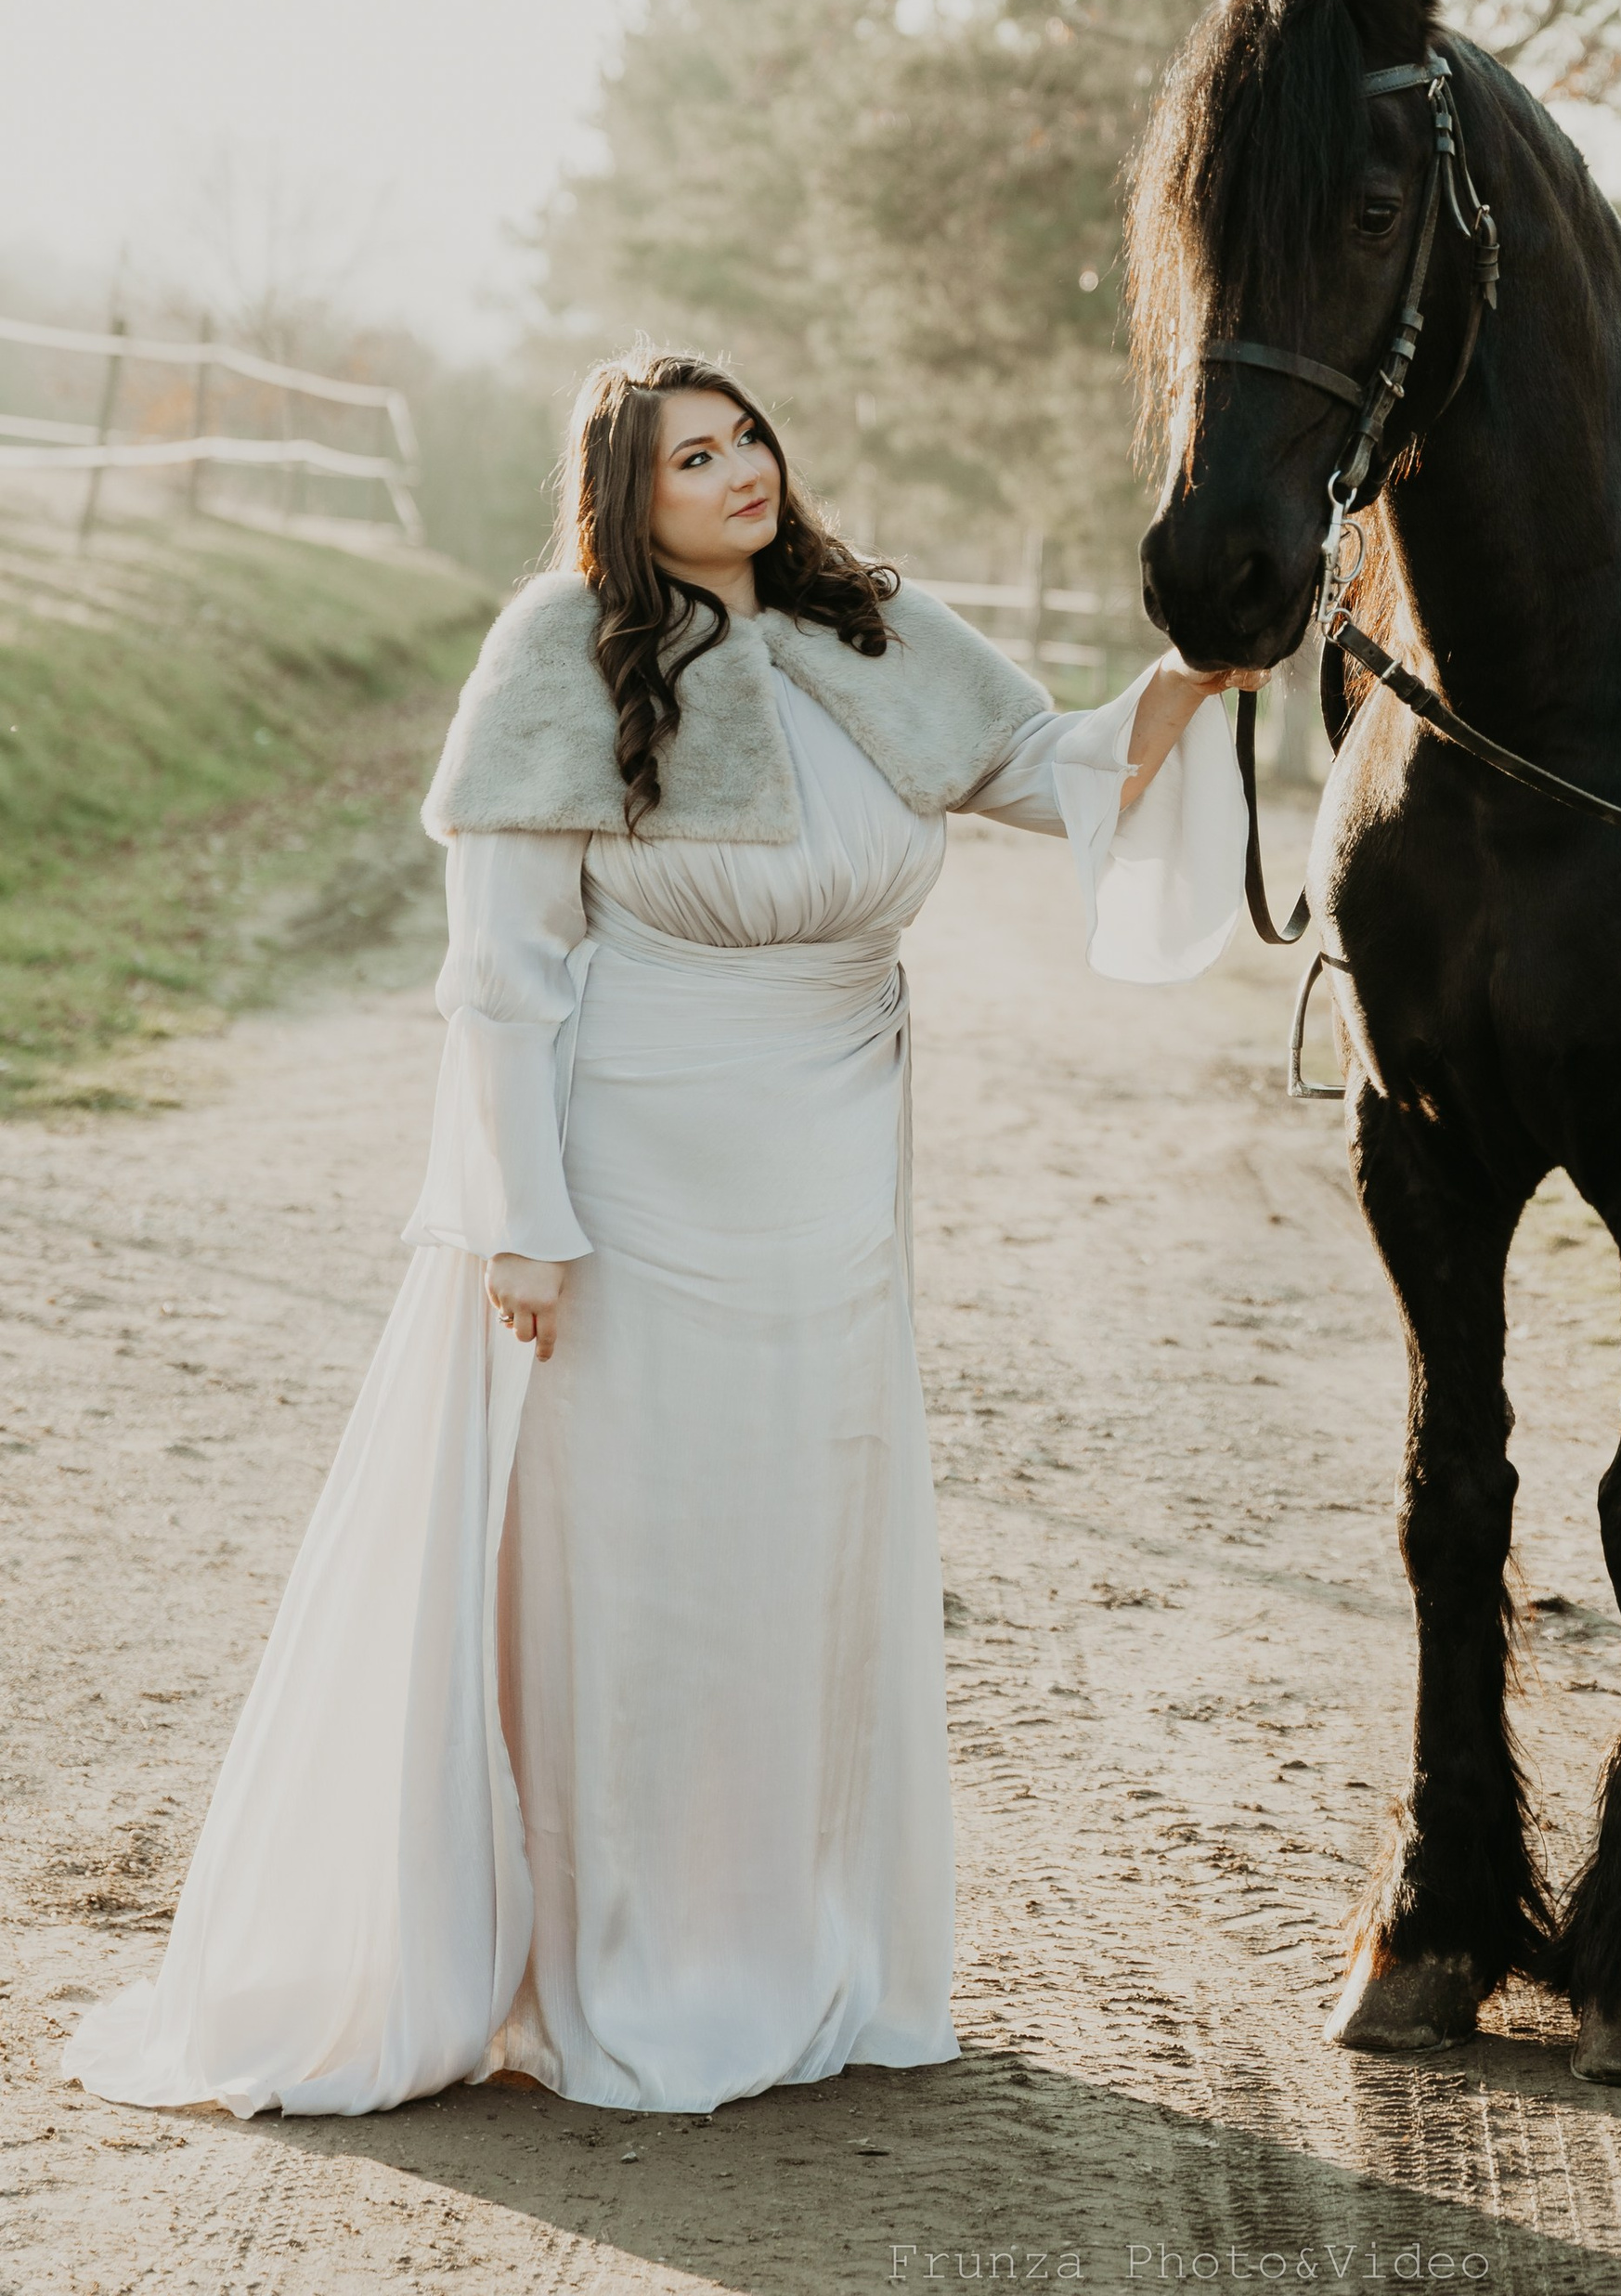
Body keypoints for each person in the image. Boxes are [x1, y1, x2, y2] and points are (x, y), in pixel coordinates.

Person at [65, 349, 1254, 2119]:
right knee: (645, 1547)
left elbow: (1051, 765)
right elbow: (503, 969)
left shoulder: (871, 625)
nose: (740, 469)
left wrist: (1197, 675)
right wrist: (519, 1218)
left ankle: (781, 1943)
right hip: (635, 1157)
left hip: (834, 1149)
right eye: (692, 456)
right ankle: (623, 1954)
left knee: (803, 1536)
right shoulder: (561, 647)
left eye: (748, 436)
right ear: (624, 493)